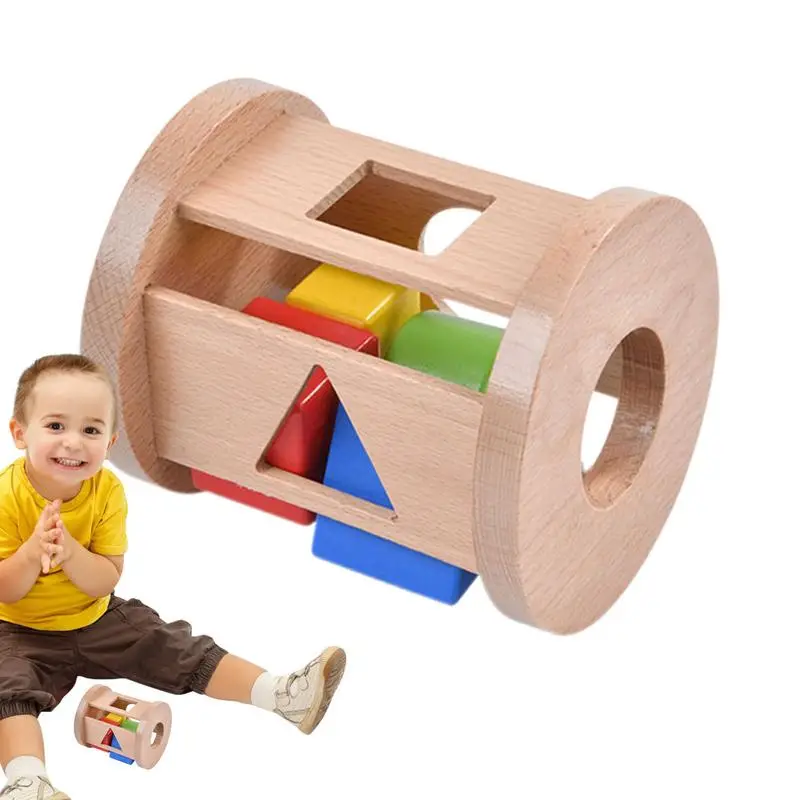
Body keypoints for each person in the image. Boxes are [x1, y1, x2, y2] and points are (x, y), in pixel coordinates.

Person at [0, 354, 346, 800]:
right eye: (55, 426)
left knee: (173, 643)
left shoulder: (107, 491)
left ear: (110, 442)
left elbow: (105, 579)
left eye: (91, 430)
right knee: (8, 688)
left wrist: (69, 553)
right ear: (20, 433)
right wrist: (32, 553)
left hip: (95, 615)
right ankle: (28, 782)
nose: (73, 442)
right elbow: (7, 590)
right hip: (18, 628)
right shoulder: (6, 497)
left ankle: (280, 694)